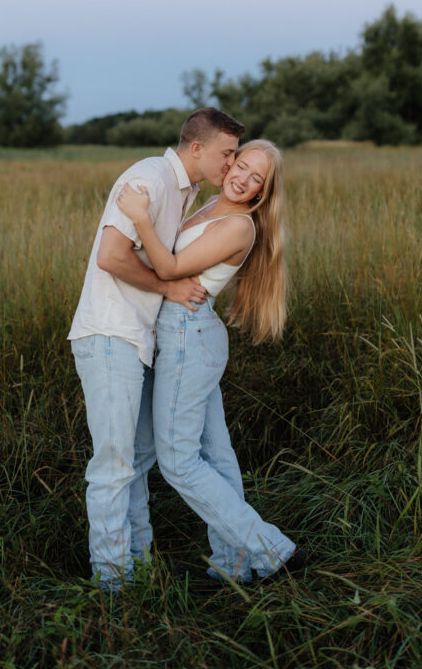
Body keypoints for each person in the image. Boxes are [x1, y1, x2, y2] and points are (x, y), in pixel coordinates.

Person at [68, 107, 245, 590]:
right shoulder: (148, 177)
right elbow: (110, 256)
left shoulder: (184, 192)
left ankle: (138, 568)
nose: (231, 166)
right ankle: (112, 584)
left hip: (137, 340)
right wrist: (167, 289)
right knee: (113, 466)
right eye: (226, 155)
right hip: (110, 335)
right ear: (197, 148)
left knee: (138, 461)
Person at [117, 139, 307, 586]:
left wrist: (140, 217)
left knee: (179, 461)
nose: (242, 177)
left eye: (255, 177)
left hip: (189, 335)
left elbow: (170, 269)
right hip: (186, 336)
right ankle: (234, 565)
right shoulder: (206, 207)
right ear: (231, 162)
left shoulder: (240, 226)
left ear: (264, 190)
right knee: (216, 457)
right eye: (241, 165)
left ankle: (274, 551)